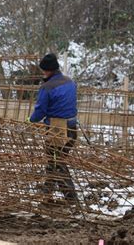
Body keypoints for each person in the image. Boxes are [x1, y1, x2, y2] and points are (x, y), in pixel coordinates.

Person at [29, 53, 78, 203]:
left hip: (57, 130)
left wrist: (31, 120)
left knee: (57, 162)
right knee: (54, 161)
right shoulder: (70, 82)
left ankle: (71, 198)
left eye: (44, 70)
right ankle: (47, 193)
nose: (43, 73)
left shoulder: (47, 87)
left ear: (48, 70)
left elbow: (40, 111)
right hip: (72, 128)